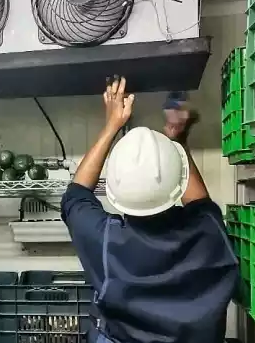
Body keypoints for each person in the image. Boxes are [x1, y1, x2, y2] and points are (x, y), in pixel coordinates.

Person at [61, 77, 238, 343]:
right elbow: (200, 203)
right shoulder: (208, 231)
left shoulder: (106, 242)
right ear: (178, 183)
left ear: (115, 191)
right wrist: (177, 139)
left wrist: (112, 125)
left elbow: (75, 195)